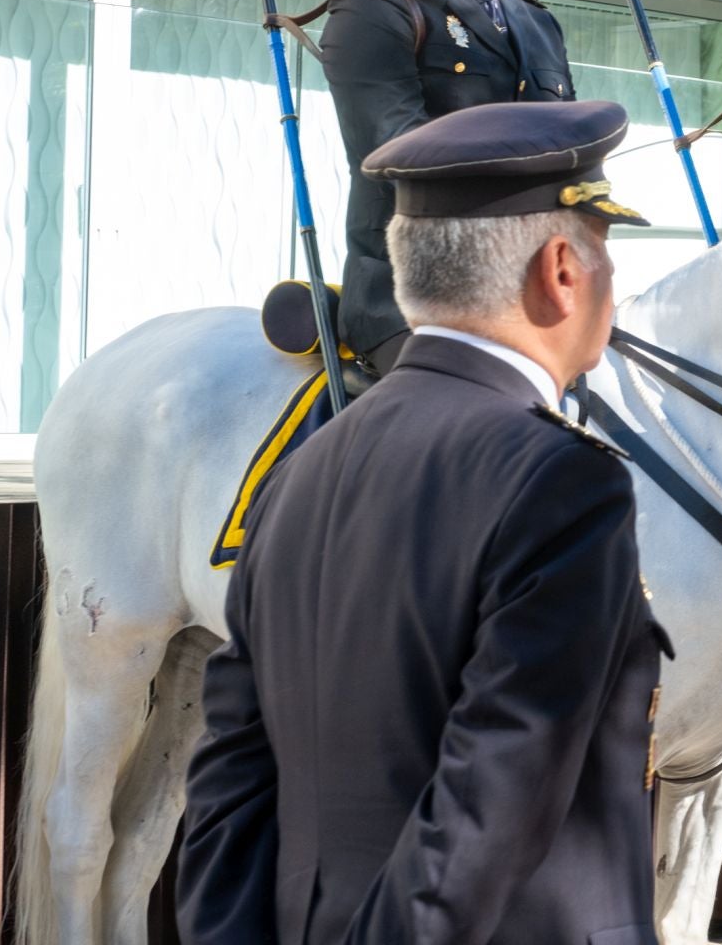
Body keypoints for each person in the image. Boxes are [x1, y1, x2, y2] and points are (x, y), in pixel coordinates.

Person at [178, 100, 666, 945]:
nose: (612, 291)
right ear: (560, 270)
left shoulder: (299, 473)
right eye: (606, 263)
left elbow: (230, 786)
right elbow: (490, 805)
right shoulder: (562, 481)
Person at [321, 0, 575, 378]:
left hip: (532, 299)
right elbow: (398, 155)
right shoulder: (379, 4)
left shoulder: (537, 22)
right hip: (415, 303)